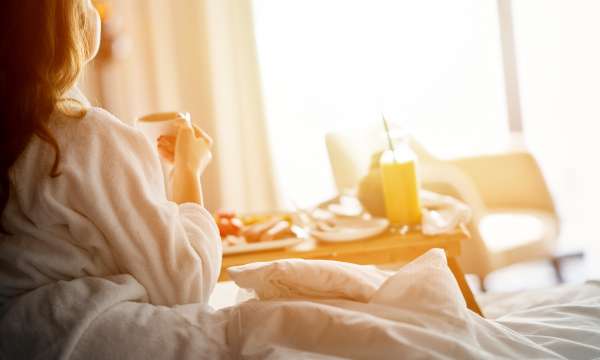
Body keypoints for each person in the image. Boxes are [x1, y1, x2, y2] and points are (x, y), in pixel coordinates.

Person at [0, 0, 221, 313]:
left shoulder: (18, 137)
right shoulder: (84, 135)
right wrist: (187, 171)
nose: (96, 11)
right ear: (64, 24)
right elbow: (187, 286)